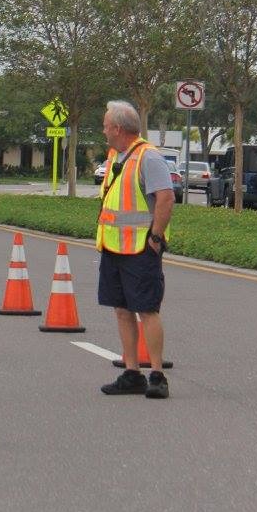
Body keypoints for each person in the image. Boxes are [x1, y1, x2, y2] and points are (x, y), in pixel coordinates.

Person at [96, 100, 173, 399]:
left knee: (147, 310)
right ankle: (132, 372)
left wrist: (155, 238)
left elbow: (165, 198)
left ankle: (157, 375)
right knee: (122, 309)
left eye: (105, 125)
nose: (103, 130)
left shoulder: (147, 157)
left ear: (117, 128)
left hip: (141, 248)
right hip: (115, 247)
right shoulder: (117, 155)